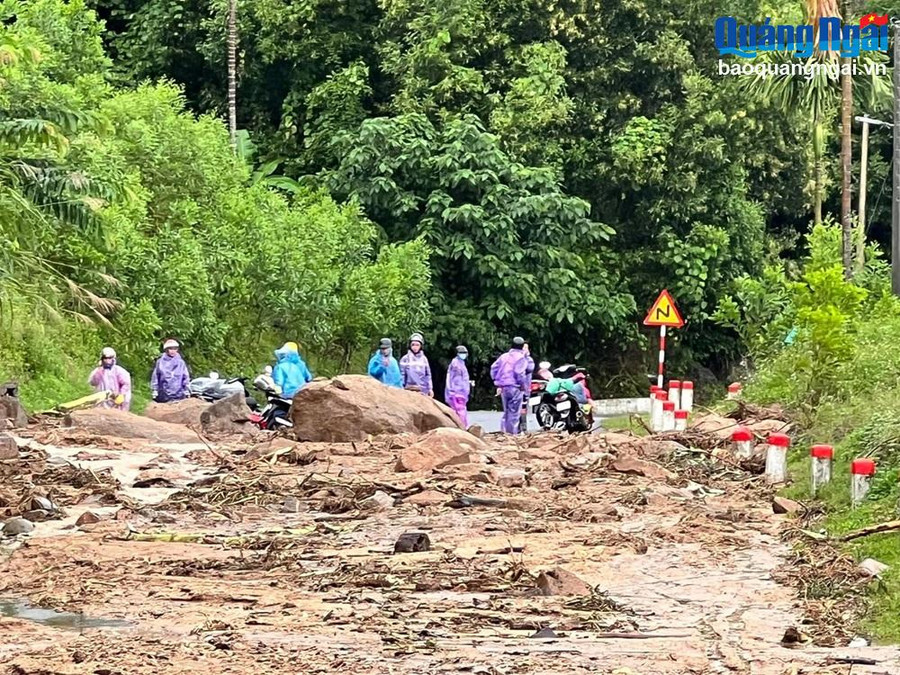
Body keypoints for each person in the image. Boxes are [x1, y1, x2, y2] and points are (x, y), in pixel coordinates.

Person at [490, 336, 530, 435]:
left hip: (504, 387)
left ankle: (504, 433)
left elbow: (493, 368)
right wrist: (523, 386)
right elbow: (519, 373)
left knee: (506, 412)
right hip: (515, 387)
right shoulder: (521, 358)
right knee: (514, 413)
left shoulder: (503, 356)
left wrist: (497, 381)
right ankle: (511, 435)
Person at [150, 339, 190, 403]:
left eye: (175, 349)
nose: (173, 351)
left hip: (179, 395)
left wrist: (186, 389)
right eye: (170, 349)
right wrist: (155, 390)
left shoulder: (181, 362)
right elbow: (156, 376)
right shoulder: (160, 362)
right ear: (166, 350)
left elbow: (185, 376)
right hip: (163, 395)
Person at [400, 332, 433, 396]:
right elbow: (402, 374)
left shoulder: (424, 359)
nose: (415, 347)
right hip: (408, 389)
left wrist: (430, 389)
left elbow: (428, 375)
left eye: (417, 345)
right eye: (413, 345)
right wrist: (401, 386)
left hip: (422, 390)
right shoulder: (405, 358)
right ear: (410, 345)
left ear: (421, 346)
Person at [445, 345, 471, 427]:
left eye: (464, 353)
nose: (463, 354)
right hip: (457, 393)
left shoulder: (461, 364)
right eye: (461, 353)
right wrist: (453, 391)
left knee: (459, 412)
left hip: (461, 392)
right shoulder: (456, 364)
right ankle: (461, 427)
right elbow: (453, 379)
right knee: (459, 413)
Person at [519, 342, 535, 433]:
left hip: (525, 389)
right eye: (523, 348)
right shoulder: (515, 359)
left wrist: (523, 358)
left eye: (526, 348)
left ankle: (524, 428)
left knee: (523, 408)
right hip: (516, 388)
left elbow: (529, 369)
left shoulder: (529, 360)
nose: (525, 349)